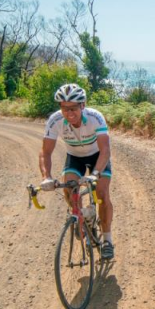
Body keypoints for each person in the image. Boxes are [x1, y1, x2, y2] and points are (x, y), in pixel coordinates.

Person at [38, 83, 115, 260]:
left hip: (98, 156)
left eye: (73, 108)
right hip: (75, 156)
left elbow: (105, 150)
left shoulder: (96, 118)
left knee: (101, 193)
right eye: (64, 108)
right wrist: (46, 177)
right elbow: (45, 152)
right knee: (69, 188)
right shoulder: (55, 120)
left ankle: (107, 240)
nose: (69, 113)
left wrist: (95, 174)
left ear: (83, 105)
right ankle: (80, 219)